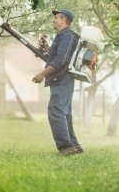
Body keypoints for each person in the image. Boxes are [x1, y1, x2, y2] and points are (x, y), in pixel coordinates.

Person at [32, 9, 83, 156]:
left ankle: (66, 147)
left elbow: (60, 61)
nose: (53, 20)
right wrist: (47, 47)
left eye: (56, 17)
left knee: (56, 111)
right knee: (64, 113)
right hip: (62, 78)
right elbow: (58, 56)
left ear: (63, 20)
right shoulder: (62, 37)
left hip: (62, 78)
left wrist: (42, 74)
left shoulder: (67, 36)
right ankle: (75, 147)